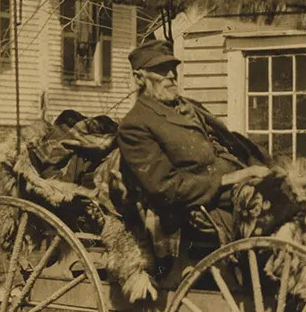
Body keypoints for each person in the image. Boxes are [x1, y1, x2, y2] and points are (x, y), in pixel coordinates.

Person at [116, 41, 270, 240]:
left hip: (234, 187)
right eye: (162, 70)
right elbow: (165, 189)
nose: (171, 76)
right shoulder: (135, 125)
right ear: (139, 78)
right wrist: (232, 178)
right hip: (200, 206)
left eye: (173, 69)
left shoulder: (189, 108)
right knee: (276, 211)